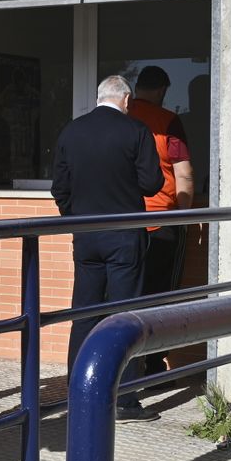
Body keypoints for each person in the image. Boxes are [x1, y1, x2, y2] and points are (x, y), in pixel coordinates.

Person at [52, 75, 164, 422]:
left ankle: (78, 389)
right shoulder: (135, 131)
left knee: (83, 313)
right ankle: (125, 399)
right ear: (127, 100)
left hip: (86, 236)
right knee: (124, 314)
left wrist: (75, 218)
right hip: (124, 235)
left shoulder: (72, 131)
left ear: (100, 97)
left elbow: (60, 187)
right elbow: (152, 183)